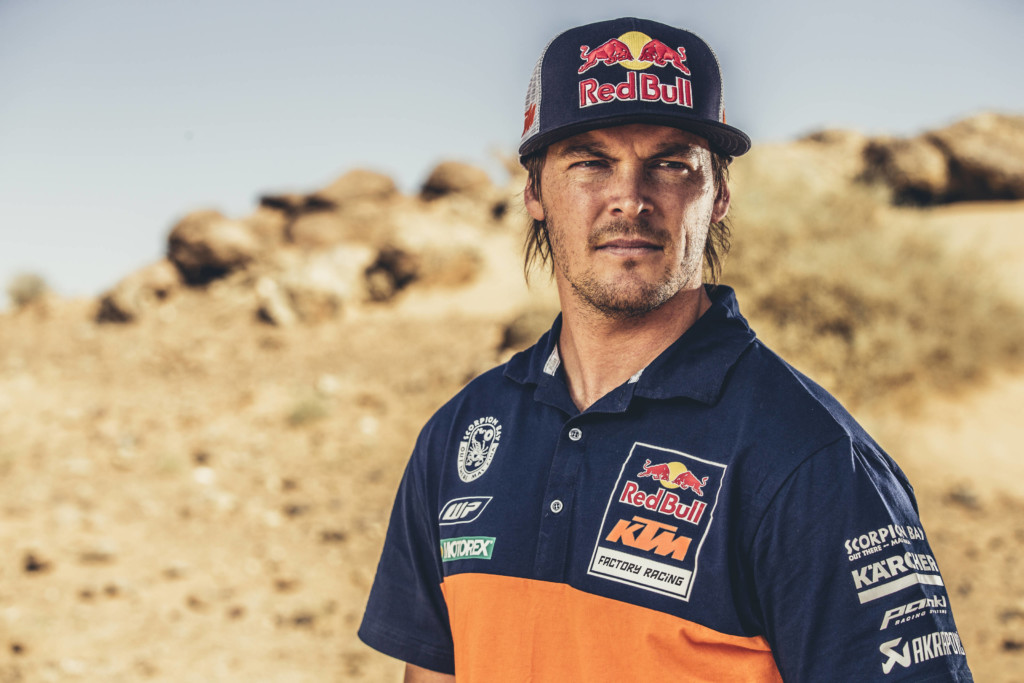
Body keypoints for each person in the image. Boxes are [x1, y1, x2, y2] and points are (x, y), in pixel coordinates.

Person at [358, 17, 973, 682]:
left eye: (671, 164)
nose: (630, 198)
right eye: (592, 162)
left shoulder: (812, 461)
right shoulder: (458, 435)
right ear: (535, 192)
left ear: (718, 195)